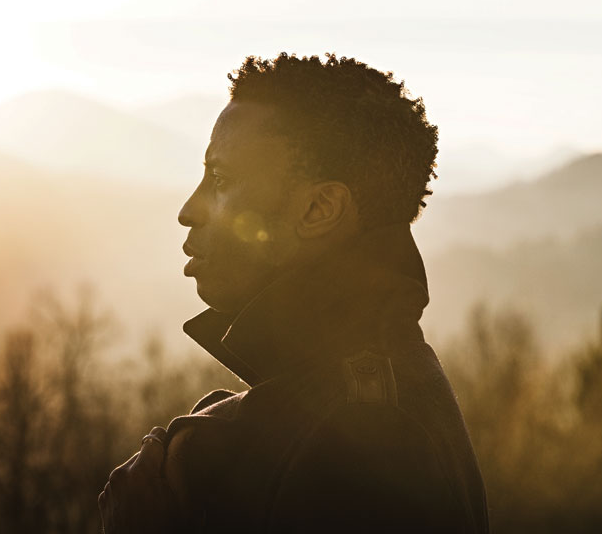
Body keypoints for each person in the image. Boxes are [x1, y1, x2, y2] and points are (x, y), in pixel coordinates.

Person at [98, 53, 489, 532]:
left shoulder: (358, 442)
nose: (188, 209)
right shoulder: (386, 386)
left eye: (219, 180)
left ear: (319, 208)